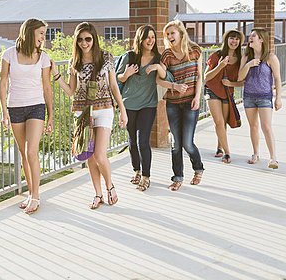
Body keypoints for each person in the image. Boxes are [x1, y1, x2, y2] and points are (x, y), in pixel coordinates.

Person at [51, 22, 127, 209]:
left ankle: (110, 187)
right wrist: (55, 73)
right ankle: (97, 194)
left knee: (100, 155)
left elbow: (114, 86)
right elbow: (71, 91)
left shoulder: (105, 57)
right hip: (83, 112)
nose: (84, 43)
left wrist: (122, 110)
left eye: (88, 39)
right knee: (90, 157)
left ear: (94, 39)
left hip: (104, 109)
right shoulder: (74, 62)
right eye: (80, 39)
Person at [0, 18, 54, 214]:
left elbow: (47, 87)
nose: (43, 37)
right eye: (41, 33)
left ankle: (36, 196)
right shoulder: (9, 54)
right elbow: (3, 85)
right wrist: (4, 111)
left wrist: (51, 115)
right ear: (30, 32)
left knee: (32, 152)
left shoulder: (43, 57)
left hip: (36, 107)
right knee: (23, 153)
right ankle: (31, 194)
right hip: (15, 107)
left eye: (44, 34)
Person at [116, 25, 168, 192]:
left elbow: (165, 76)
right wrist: (126, 74)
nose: (150, 41)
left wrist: (159, 68)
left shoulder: (158, 58)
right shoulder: (129, 57)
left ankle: (146, 176)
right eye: (147, 37)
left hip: (148, 104)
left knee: (142, 141)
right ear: (140, 39)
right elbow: (118, 78)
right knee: (132, 140)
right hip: (129, 104)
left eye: (153, 37)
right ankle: (136, 171)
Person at [158, 20, 204, 191]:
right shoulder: (167, 55)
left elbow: (199, 76)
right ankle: (177, 177)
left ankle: (198, 167)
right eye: (167, 34)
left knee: (187, 143)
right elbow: (159, 80)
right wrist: (174, 86)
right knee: (175, 143)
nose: (170, 37)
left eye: (172, 33)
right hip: (172, 104)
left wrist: (197, 96)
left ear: (181, 34)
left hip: (191, 102)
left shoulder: (195, 51)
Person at [237, 28, 282, 169]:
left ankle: (273, 158)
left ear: (261, 39)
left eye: (253, 36)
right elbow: (240, 77)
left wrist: (278, 98)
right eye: (250, 36)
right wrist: (249, 64)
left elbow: (277, 78)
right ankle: (255, 153)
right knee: (253, 126)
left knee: (266, 127)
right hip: (249, 96)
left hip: (264, 97)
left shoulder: (270, 58)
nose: (250, 38)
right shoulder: (246, 57)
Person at [204, 29, 245, 164]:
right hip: (212, 90)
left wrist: (230, 83)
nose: (234, 41)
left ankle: (219, 146)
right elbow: (206, 77)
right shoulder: (217, 55)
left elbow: (243, 82)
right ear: (226, 40)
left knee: (224, 122)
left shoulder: (240, 60)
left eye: (237, 39)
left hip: (227, 92)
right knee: (218, 122)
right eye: (231, 38)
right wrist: (220, 66)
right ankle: (227, 153)